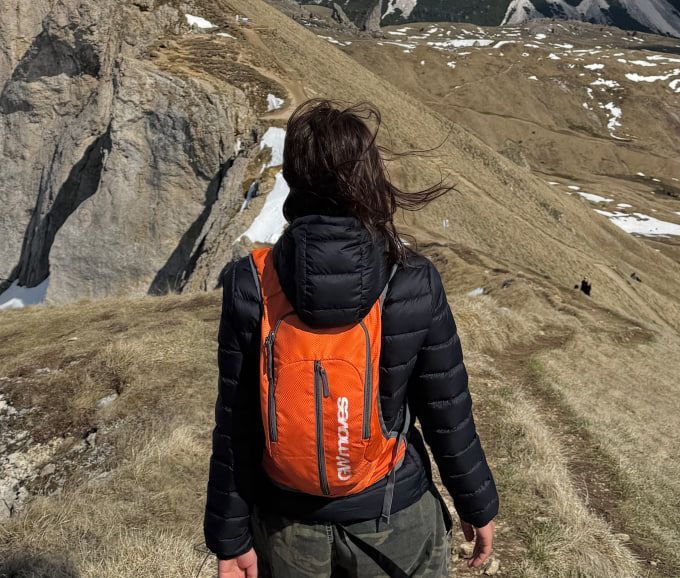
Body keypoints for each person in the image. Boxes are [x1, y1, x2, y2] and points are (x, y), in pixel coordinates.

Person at [204, 100, 499, 577]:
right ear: (368, 176)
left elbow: (236, 423)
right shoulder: (411, 280)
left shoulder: (250, 284)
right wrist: (477, 505)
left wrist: (229, 539)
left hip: (287, 527)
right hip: (394, 514)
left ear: (294, 180)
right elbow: (447, 410)